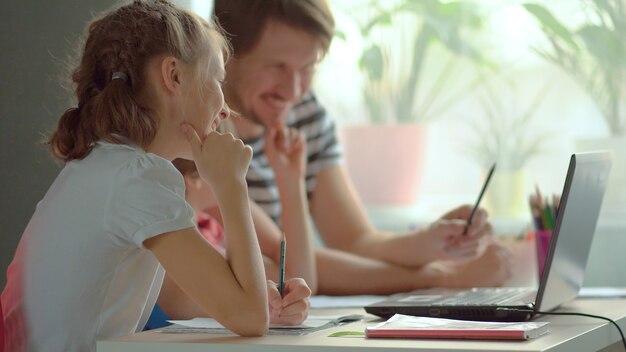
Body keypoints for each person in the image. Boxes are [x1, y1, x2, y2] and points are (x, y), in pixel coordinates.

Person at [0, 1, 310, 351]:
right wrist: (231, 185)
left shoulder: (107, 165)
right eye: (216, 79)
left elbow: (245, 308)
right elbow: (250, 319)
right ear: (174, 75)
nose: (225, 108)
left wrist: (261, 303)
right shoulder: (137, 178)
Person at [206, 0, 513, 295]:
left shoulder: (303, 113)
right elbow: (292, 268)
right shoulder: (199, 136)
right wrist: (441, 277)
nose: (294, 89)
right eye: (276, 66)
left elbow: (353, 241)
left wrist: (431, 242)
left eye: (308, 67)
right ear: (224, 52)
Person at [155, 153, 315, 325]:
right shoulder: (170, 242)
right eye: (232, 166)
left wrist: (281, 298)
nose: (243, 176)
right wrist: (233, 188)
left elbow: (280, 277)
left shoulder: (211, 228)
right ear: (195, 177)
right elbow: (246, 312)